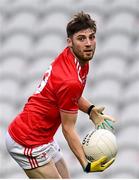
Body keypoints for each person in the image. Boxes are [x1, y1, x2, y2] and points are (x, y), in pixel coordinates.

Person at [5, 11, 115, 179]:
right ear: (69, 42)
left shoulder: (77, 59)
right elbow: (68, 129)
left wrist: (90, 110)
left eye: (92, 37)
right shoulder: (70, 78)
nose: (88, 44)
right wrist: (86, 164)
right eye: (81, 38)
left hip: (43, 136)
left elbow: (71, 96)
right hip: (27, 141)